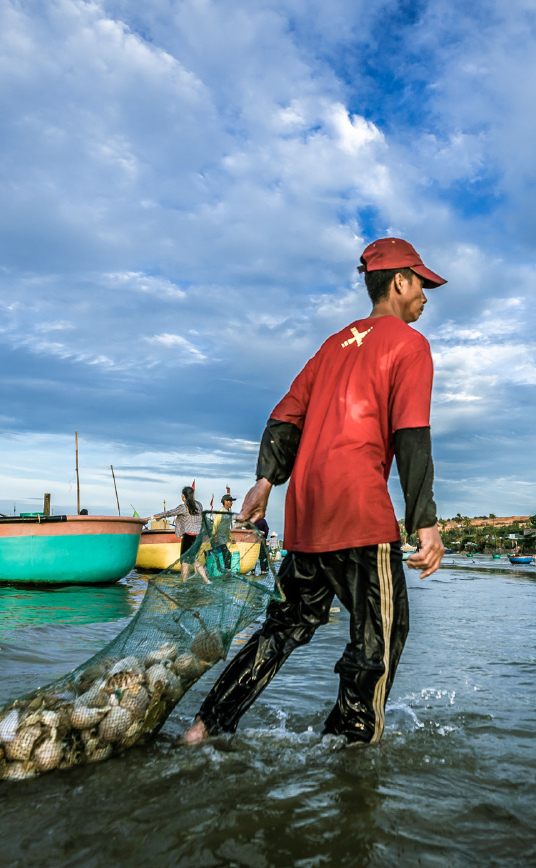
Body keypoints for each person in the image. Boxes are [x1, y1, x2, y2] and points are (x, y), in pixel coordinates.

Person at [182, 236, 447, 747]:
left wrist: (265, 480)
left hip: (305, 515)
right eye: (421, 283)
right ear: (398, 282)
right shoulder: (410, 345)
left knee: (281, 629)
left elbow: (283, 418)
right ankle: (351, 748)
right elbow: (412, 435)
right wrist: (425, 521)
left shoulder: (331, 346)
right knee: (381, 639)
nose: (425, 295)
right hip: (359, 512)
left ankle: (205, 726)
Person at [149, 485, 209, 583]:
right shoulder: (199, 505)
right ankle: (206, 580)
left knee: (184, 561)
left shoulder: (183, 507)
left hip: (189, 537)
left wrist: (153, 517)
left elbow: (170, 513)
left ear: (183, 496)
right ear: (193, 495)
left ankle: (184, 581)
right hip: (198, 537)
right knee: (194, 559)